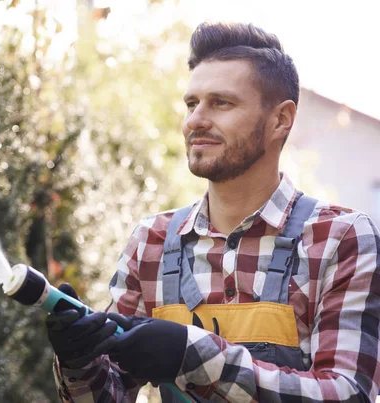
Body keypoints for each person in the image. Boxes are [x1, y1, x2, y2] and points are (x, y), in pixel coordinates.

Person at [45, 21, 380, 403]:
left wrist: (195, 356)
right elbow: (108, 396)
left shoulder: (340, 239)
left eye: (221, 103)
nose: (195, 120)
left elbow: (349, 394)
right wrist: (78, 359)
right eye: (192, 104)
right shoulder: (150, 242)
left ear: (281, 120)